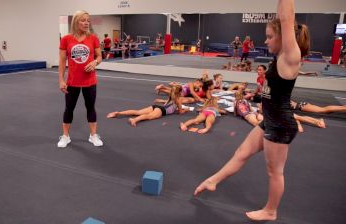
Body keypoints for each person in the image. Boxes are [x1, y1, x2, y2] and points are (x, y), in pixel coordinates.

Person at [194, 0, 310, 221]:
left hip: (280, 125)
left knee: (274, 172)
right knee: (241, 153)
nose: (265, 41)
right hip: (270, 120)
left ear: (284, 38)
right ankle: (213, 181)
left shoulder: (289, 57)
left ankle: (271, 210)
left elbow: (286, 17)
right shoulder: (279, 60)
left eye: (269, 36)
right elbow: (281, 17)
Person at [57, 10, 103, 148]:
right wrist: (61, 80)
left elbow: (99, 56)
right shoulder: (66, 39)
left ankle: (93, 135)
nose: (86, 23)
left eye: (88, 20)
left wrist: (95, 62)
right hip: (72, 81)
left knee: (90, 108)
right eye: (83, 20)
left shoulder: (93, 38)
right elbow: (62, 60)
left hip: (90, 81)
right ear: (76, 22)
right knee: (69, 108)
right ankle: (65, 136)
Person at [107, 85, 187, 126]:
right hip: (161, 111)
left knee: (137, 111)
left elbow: (169, 105)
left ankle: (118, 113)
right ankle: (135, 120)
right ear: (179, 92)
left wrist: (161, 101)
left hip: (156, 107)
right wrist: (184, 110)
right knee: (148, 116)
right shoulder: (178, 99)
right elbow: (180, 112)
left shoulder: (172, 96)